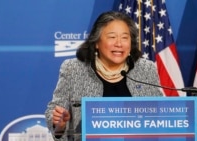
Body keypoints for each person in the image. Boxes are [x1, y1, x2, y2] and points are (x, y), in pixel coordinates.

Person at [45, 11, 163, 141]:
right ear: (96, 42)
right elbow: (55, 112)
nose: (119, 43)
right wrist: (59, 125)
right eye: (112, 37)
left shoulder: (146, 69)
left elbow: (159, 114)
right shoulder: (73, 69)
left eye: (125, 37)